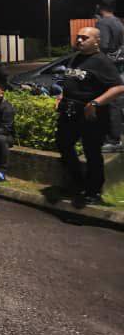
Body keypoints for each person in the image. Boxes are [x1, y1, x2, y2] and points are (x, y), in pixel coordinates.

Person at [56, 27, 124, 205]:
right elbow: (72, 80)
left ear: (96, 41)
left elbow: (118, 87)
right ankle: (77, 182)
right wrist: (62, 95)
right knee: (63, 144)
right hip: (69, 112)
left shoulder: (102, 61)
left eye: (85, 38)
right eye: (78, 37)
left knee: (92, 152)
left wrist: (95, 103)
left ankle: (93, 191)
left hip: (91, 115)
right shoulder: (76, 57)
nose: (79, 40)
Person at [95, 0, 124, 152]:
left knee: (108, 103)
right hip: (118, 67)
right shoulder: (118, 22)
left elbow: (103, 46)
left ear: (99, 7)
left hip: (107, 68)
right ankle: (114, 138)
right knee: (115, 103)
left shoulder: (103, 23)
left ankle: (112, 140)